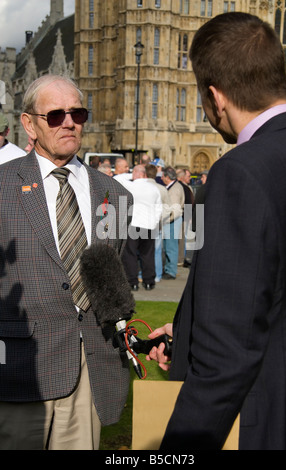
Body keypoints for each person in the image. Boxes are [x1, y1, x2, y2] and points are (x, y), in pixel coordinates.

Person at [148, 12, 286, 450]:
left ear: (215, 97)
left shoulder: (240, 173)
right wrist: (191, 330)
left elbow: (226, 360)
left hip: (268, 419)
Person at [0, 74, 133, 450]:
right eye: (55, 115)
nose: (69, 121)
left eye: (78, 112)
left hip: (91, 372)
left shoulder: (114, 193)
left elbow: (111, 277)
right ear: (29, 123)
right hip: (18, 372)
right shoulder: (3, 184)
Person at [120, 165, 162, 291]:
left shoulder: (130, 185)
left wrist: (132, 175)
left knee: (130, 255)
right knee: (147, 255)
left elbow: (117, 178)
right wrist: (154, 222)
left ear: (136, 174)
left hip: (133, 224)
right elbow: (159, 207)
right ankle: (149, 281)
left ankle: (132, 282)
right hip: (148, 225)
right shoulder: (153, 188)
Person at [145, 164, 171, 282]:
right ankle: (157, 275)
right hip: (157, 223)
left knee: (144, 251)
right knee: (156, 250)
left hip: (143, 223)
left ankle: (144, 273)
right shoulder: (162, 188)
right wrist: (160, 218)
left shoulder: (141, 187)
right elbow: (168, 208)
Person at [161, 166, 185, 280]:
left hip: (172, 221)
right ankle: (169, 269)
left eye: (162, 176)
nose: (161, 178)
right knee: (169, 246)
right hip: (172, 220)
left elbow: (174, 209)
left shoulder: (175, 189)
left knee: (171, 247)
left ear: (167, 177)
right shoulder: (174, 187)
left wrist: (165, 220)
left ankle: (171, 271)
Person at [176, 169, 195, 267]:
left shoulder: (187, 187)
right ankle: (180, 259)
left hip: (186, 216)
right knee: (181, 238)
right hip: (182, 215)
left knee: (183, 238)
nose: (190, 178)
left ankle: (181, 257)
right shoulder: (181, 187)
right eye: (188, 176)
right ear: (182, 177)